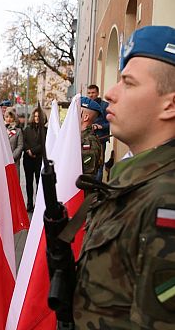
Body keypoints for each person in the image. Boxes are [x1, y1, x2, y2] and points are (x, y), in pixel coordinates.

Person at [74, 25, 175, 328]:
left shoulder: (165, 200)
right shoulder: (133, 180)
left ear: (170, 105)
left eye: (128, 83)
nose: (109, 94)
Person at [22, 108, 45, 212]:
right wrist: (28, 151)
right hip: (28, 160)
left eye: (39, 117)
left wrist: (33, 151)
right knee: (29, 182)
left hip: (39, 159)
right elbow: (23, 142)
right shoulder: (27, 129)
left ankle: (38, 203)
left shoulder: (45, 130)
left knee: (38, 182)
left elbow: (43, 144)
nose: (37, 118)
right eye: (35, 116)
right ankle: (29, 203)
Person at [86, 84, 110, 179]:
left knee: (99, 166)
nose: (91, 95)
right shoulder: (85, 105)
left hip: (100, 140)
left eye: (93, 93)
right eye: (89, 93)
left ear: (98, 93)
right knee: (88, 166)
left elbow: (111, 123)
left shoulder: (105, 106)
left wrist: (100, 126)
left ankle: (97, 190)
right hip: (87, 140)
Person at [79, 97, 103, 177]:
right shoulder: (78, 137)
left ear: (85, 117)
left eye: (76, 111)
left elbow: (87, 175)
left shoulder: (89, 142)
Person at [4, 110, 24, 178]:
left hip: (13, 161)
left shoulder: (18, 131)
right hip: (2, 161)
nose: (8, 119)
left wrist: (11, 157)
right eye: (7, 117)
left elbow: (20, 145)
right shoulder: (1, 129)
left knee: (13, 182)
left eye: (11, 117)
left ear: (14, 118)